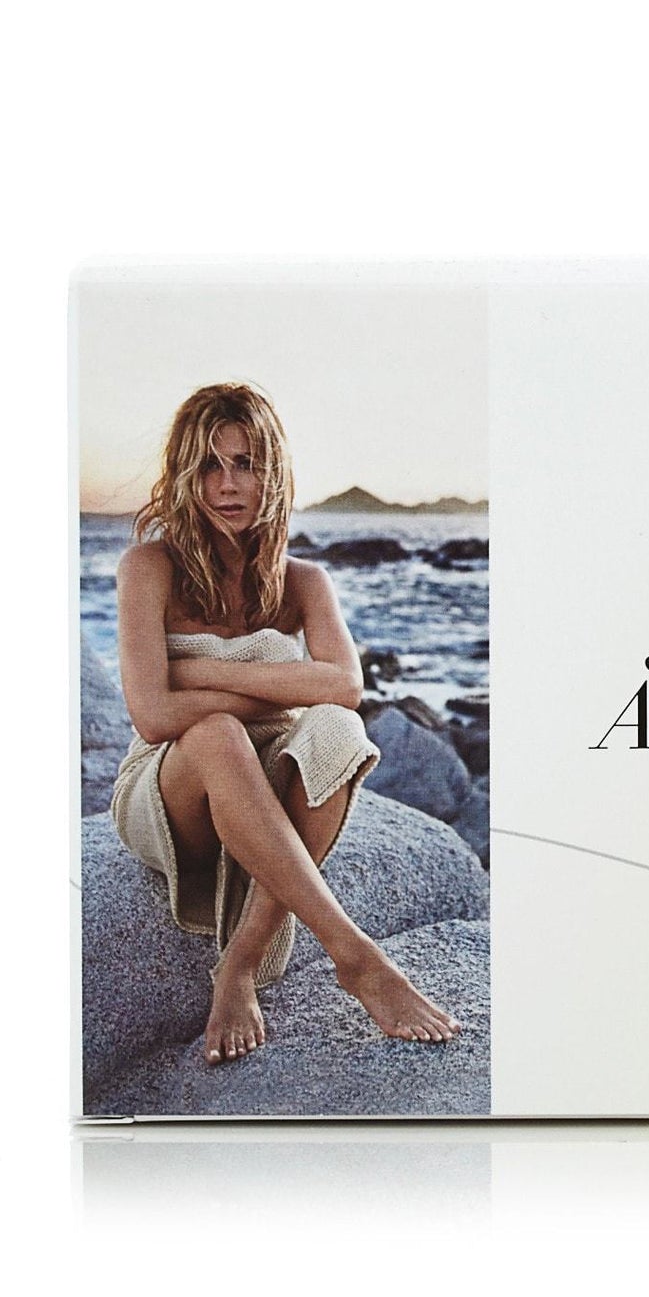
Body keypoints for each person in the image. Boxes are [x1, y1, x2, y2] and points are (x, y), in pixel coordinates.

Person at [110, 382, 460, 1064]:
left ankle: (238, 966)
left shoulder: (302, 581)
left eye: (246, 464)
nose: (227, 485)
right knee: (216, 733)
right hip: (174, 789)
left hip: (269, 784)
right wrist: (277, 691)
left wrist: (199, 673)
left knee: (337, 733)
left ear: (273, 472)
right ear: (183, 475)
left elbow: (344, 688)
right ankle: (354, 953)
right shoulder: (148, 568)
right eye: (209, 466)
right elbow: (153, 716)